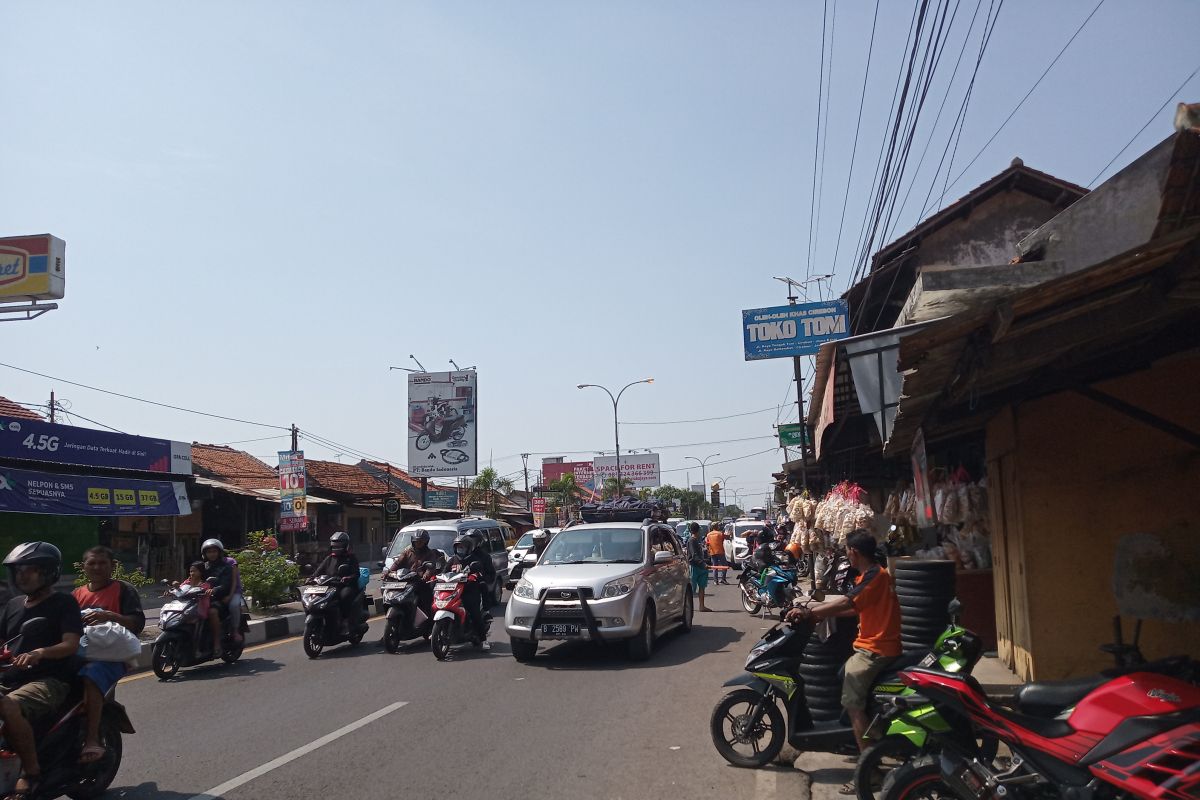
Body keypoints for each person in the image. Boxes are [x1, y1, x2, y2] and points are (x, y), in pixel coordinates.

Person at [785, 530, 901, 779]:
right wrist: (818, 611)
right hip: (872, 646)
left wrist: (810, 613)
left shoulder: (875, 576)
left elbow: (849, 603)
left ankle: (869, 771)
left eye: (847, 550)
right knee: (843, 676)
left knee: (852, 704)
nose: (846, 554)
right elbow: (856, 607)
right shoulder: (869, 575)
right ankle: (861, 739)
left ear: (854, 552)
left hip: (876, 650)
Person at [0, 542, 84, 800]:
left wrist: (40, 653)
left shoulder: (63, 603)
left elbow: (70, 644)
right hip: (11, 676)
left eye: (30, 569)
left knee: (7, 705)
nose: (22, 575)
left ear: (48, 573)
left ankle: (31, 772)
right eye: (19, 570)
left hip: (49, 679)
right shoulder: (13, 605)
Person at [72, 546, 145, 765]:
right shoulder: (77, 594)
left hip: (112, 656)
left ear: (112, 566)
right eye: (92, 563)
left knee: (91, 675)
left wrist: (110, 616)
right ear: (84, 566)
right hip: (81, 651)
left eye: (102, 563)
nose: (97, 567)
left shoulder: (124, 590)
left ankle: (92, 739)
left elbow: (137, 624)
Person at [382, 529, 446, 617]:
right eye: (416, 541)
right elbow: (397, 563)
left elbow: (430, 567)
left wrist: (425, 576)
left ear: (425, 542)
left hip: (420, 582)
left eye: (421, 541)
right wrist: (388, 572)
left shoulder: (430, 553)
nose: (418, 543)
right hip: (405, 581)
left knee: (425, 598)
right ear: (413, 541)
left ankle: (428, 620)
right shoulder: (408, 552)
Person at [448, 533, 494, 650]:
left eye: (462, 546)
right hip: (453, 590)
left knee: (474, 612)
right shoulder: (452, 559)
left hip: (470, 590)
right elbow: (443, 571)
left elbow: (482, 573)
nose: (460, 549)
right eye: (458, 546)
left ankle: (483, 639)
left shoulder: (475, 559)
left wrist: (476, 576)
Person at [312, 532, 361, 634]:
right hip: (330, 585)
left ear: (345, 545)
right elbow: (319, 571)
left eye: (339, 545)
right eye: (334, 545)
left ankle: (345, 621)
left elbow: (356, 574)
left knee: (345, 596)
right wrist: (311, 578)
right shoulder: (329, 558)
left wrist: (348, 578)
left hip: (346, 586)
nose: (336, 548)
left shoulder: (351, 558)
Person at [200, 539, 233, 656]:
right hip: (201, 598)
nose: (212, 554)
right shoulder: (203, 567)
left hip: (218, 599)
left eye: (214, 551)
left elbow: (226, 584)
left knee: (212, 612)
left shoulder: (226, 567)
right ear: (205, 553)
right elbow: (193, 578)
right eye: (209, 552)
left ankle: (217, 643)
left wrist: (214, 590)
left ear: (219, 552)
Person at [685, 523, 711, 612]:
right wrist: (703, 564)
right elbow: (694, 555)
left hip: (701, 567)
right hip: (694, 566)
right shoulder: (691, 540)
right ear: (697, 530)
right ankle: (688, 608)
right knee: (691, 589)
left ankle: (702, 606)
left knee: (702, 587)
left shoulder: (697, 540)